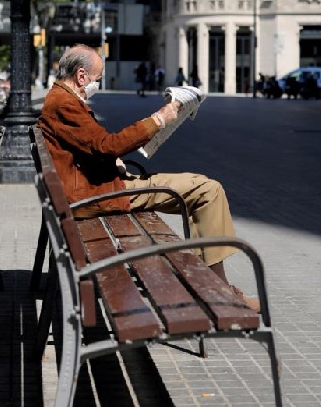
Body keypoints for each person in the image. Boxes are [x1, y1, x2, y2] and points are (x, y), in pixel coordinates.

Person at [36, 44, 260, 312]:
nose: (94, 85)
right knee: (207, 189)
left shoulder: (59, 99)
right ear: (81, 76)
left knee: (200, 186)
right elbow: (107, 145)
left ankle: (214, 286)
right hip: (98, 194)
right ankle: (220, 292)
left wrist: (110, 158)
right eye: (96, 79)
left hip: (96, 185)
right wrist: (158, 119)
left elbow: (93, 146)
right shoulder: (64, 103)